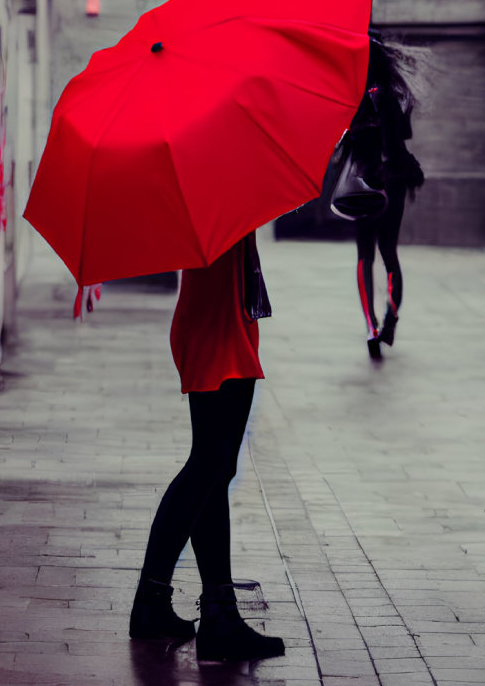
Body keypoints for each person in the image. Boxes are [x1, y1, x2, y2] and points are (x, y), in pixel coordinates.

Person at [128, 232, 284, 662]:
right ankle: (158, 601)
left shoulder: (220, 193)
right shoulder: (221, 194)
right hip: (220, 329)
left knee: (214, 472)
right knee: (208, 467)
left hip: (221, 326)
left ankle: (214, 613)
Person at [345, 36, 425, 360]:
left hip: (364, 182)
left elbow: (348, 138)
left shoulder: (355, 97)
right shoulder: (396, 95)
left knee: (365, 256)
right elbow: (402, 139)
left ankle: (370, 325)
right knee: (389, 252)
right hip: (393, 180)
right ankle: (391, 316)